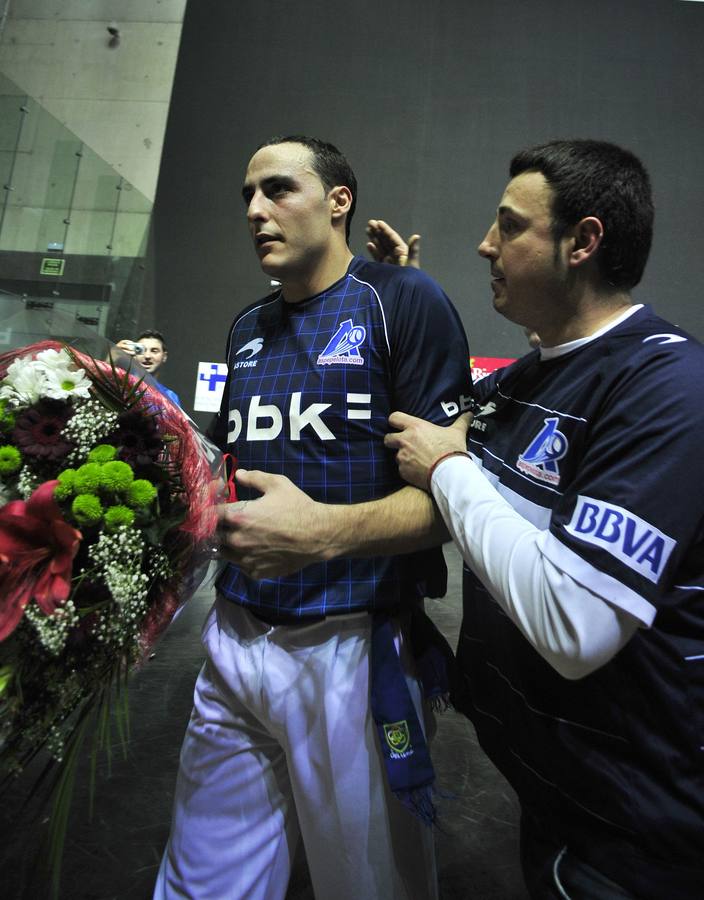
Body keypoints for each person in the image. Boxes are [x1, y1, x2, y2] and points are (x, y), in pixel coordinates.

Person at [221, 139, 704, 899]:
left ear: (583, 242)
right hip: (554, 785)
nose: (486, 242)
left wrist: (447, 466)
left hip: (641, 814)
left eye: (509, 226)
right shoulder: (519, 384)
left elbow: (575, 624)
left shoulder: (665, 381)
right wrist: (394, 303)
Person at [154, 135, 473, 900]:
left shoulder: (402, 301)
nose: (256, 211)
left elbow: (453, 502)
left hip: (351, 646)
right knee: (201, 885)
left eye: (278, 189)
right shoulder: (246, 329)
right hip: (234, 638)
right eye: (247, 198)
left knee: (368, 888)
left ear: (339, 201)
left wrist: (324, 532)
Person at [115, 329, 181, 407]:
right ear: (134, 354)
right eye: (140, 350)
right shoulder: (119, 384)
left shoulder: (170, 397)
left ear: (164, 356)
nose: (147, 356)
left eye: (154, 351)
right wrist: (112, 355)